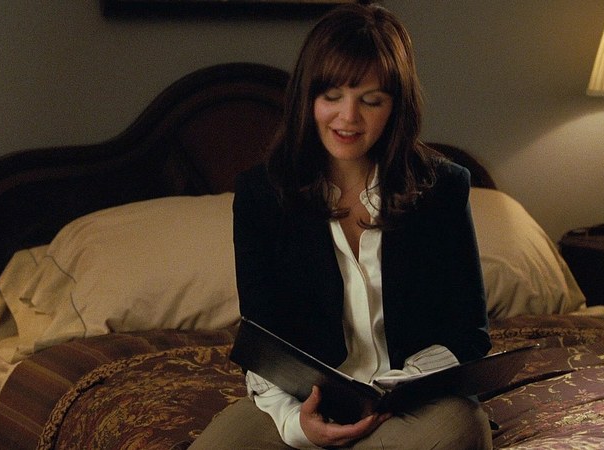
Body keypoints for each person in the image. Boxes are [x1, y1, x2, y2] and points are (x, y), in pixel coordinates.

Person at [191, 3, 493, 449]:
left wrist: (401, 384)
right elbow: (263, 340)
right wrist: (298, 425)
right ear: (307, 98)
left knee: (460, 429)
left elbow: (468, 333)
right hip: (302, 402)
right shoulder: (261, 196)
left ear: (396, 106)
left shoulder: (443, 189)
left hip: (413, 406)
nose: (348, 118)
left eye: (371, 100)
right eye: (332, 96)